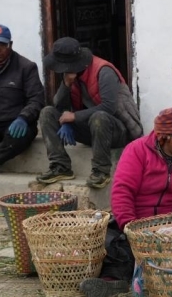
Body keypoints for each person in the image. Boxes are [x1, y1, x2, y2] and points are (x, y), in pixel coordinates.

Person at [79, 106, 172, 297]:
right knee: (110, 239)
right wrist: (132, 229)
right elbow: (122, 191)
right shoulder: (137, 150)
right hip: (140, 226)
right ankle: (113, 281)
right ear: (166, 136)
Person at [37, 37, 142, 189]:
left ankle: (101, 171)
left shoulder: (104, 71)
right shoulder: (70, 75)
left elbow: (109, 107)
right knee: (47, 113)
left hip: (117, 131)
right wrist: (66, 85)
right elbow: (59, 105)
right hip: (91, 130)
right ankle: (60, 166)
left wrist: (74, 116)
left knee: (99, 117)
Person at [0, 25, 45, 168]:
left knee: (17, 138)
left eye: (2, 45)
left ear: (10, 45)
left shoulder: (26, 67)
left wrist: (23, 118)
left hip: (16, 123)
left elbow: (36, 99)